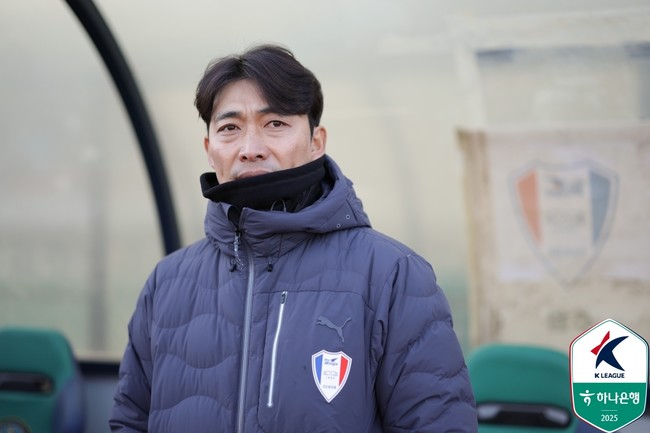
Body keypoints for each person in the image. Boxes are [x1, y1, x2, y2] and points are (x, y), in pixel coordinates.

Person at [110, 43, 477, 433]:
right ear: (209, 149)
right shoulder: (167, 282)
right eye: (230, 128)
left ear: (317, 142)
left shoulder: (392, 276)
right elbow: (130, 421)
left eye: (275, 124)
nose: (250, 149)